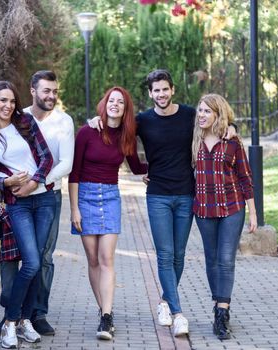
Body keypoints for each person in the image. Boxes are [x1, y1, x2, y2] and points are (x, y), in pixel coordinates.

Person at [88, 69, 237, 337]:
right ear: (150, 93)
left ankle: (165, 303)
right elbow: (118, 128)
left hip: (186, 194)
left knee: (178, 255)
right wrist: (95, 121)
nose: (161, 94)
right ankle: (178, 313)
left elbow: (215, 119)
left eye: (165, 89)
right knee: (165, 254)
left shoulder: (190, 115)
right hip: (157, 195)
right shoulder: (143, 121)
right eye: (156, 90)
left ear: (173, 90)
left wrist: (232, 127)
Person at [0, 71, 74, 338]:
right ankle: (11, 315)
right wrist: (11, 186)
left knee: (43, 258)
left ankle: (36, 314)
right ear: (32, 90)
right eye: (46, 91)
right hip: (15, 199)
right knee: (12, 259)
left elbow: (65, 163)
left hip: (48, 196)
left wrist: (34, 185)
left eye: (54, 91)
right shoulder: (18, 117)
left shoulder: (64, 121)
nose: (51, 96)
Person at [0, 80, 56, 348]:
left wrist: (34, 182)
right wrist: (7, 183)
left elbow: (46, 158)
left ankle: (23, 321)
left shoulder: (25, 124)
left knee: (37, 263)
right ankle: (12, 322)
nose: (8, 106)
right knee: (31, 263)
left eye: (12, 101)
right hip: (17, 204)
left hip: (43, 200)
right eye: (3, 101)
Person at [69, 87, 148, 340]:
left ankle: (106, 317)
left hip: (111, 197)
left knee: (106, 258)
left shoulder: (127, 136)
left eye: (120, 102)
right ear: (105, 104)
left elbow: (136, 166)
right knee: (92, 259)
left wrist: (164, 166)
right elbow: (75, 173)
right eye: (111, 100)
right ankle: (103, 309)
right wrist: (74, 209)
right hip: (85, 198)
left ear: (125, 110)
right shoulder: (87, 132)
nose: (115, 105)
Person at [191, 93, 257, 340]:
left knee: (226, 260)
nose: (201, 115)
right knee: (212, 260)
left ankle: (222, 313)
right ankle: (218, 301)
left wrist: (253, 212)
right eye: (200, 110)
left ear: (218, 114)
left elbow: (245, 177)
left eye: (207, 111)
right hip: (204, 210)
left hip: (232, 208)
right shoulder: (194, 139)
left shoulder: (233, 141)